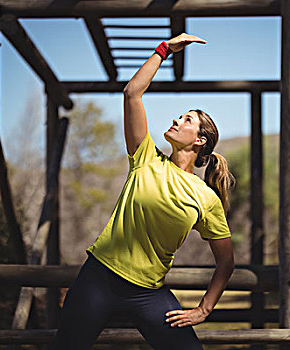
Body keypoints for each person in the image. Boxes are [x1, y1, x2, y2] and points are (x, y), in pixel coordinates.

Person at [53, 33, 236, 350]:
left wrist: (204, 308)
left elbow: (226, 262)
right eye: (180, 115)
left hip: (148, 294)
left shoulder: (206, 198)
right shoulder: (145, 157)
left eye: (187, 119)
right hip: (98, 280)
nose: (177, 119)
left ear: (200, 140)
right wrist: (164, 50)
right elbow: (132, 94)